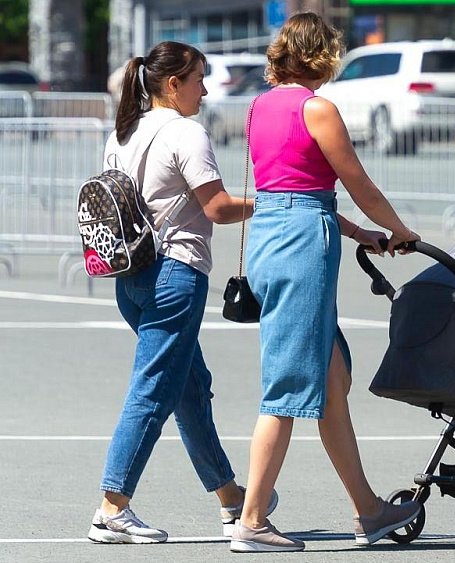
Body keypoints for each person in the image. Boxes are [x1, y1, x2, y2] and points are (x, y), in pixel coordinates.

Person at [230, 13, 422, 552]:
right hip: (301, 245)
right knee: (289, 386)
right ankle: (251, 520)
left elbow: (291, 188)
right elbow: (354, 178)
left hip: (272, 233)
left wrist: (360, 232)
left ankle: (368, 510)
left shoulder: (260, 107)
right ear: (323, 55)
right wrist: (397, 229)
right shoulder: (318, 108)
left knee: (331, 381)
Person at [88, 41, 265, 544]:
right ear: (173, 84)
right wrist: (269, 202)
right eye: (199, 79)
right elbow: (218, 208)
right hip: (175, 274)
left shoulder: (124, 130)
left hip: (131, 276)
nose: (205, 89)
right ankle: (112, 507)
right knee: (153, 392)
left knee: (189, 387)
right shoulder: (186, 132)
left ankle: (231, 499)